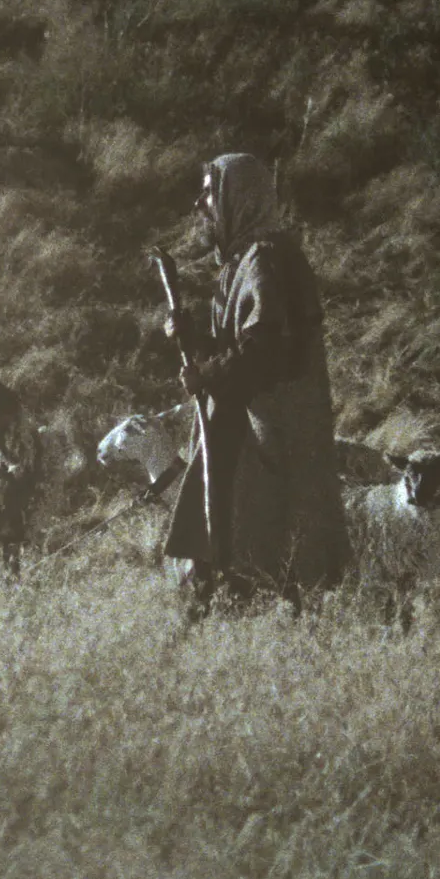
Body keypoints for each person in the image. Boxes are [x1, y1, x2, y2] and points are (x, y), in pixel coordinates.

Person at [162, 153, 346, 611]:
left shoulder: (266, 261)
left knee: (260, 539)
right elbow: (243, 343)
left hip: (269, 431)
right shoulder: (243, 261)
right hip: (246, 423)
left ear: (237, 197)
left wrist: (204, 373)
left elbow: (265, 352)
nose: (200, 203)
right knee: (237, 538)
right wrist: (194, 338)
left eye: (209, 192)